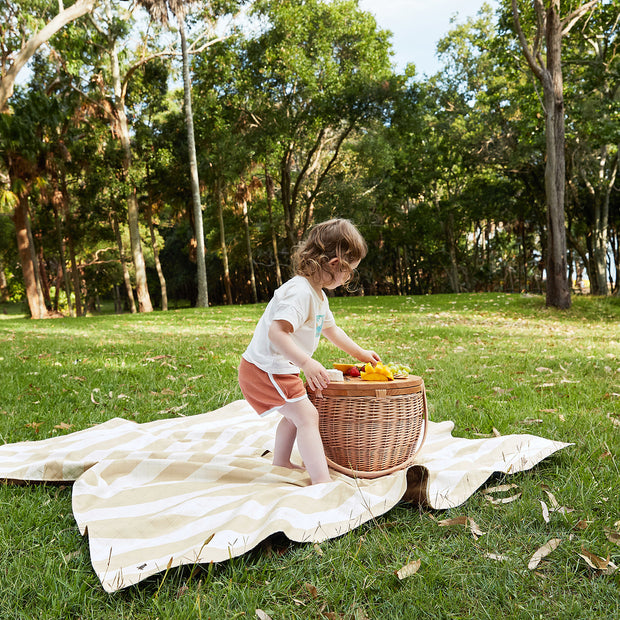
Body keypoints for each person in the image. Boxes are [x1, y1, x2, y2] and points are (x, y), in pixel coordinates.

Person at [238, 218, 381, 484]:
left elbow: (332, 331)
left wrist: (360, 353)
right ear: (335, 265)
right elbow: (276, 332)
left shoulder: (318, 295)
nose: (348, 278)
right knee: (307, 416)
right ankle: (321, 481)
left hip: (278, 369)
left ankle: (281, 461)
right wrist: (306, 362)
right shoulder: (299, 292)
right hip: (265, 370)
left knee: (295, 415)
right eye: (349, 272)